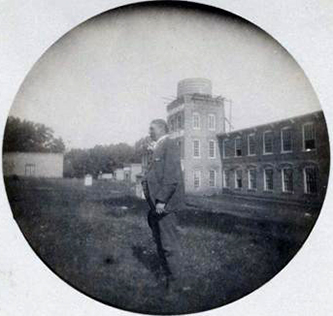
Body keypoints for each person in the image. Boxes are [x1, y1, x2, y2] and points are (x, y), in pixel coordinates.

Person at [141, 119, 186, 293]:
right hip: (156, 205)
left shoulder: (169, 143)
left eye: (151, 128)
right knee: (160, 242)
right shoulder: (158, 145)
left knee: (169, 245)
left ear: (161, 128)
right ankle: (168, 278)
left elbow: (172, 177)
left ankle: (177, 283)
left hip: (164, 205)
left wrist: (161, 200)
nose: (149, 131)